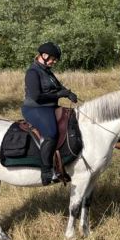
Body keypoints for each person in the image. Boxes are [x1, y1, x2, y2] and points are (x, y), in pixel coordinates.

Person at [21, 42, 78, 185]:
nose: (54, 62)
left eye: (55, 60)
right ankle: (46, 171)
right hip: (35, 108)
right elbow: (36, 96)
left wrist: (68, 93)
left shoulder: (47, 71)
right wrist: (59, 94)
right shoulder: (32, 72)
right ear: (44, 56)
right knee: (51, 132)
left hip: (50, 107)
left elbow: (58, 86)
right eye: (53, 59)